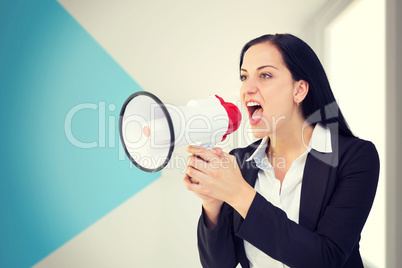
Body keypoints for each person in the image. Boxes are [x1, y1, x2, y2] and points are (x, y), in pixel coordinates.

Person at [183, 33, 380, 268]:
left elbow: (326, 258)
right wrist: (212, 204)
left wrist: (239, 194)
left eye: (265, 75)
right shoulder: (239, 162)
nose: (247, 88)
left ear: (299, 90)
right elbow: (219, 265)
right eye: (244, 77)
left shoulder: (355, 157)